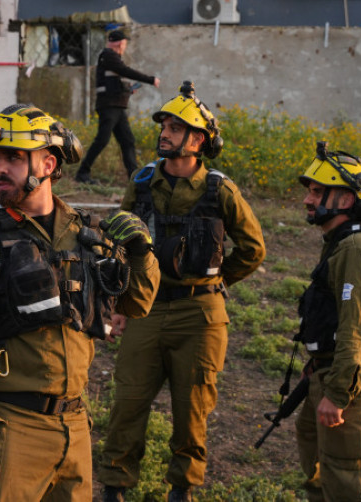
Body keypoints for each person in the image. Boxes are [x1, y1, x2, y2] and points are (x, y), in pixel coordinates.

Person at [0, 104, 160, 501]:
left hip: (75, 428)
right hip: (9, 428)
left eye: (13, 158)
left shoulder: (86, 234)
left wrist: (141, 253)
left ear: (48, 164)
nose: (0, 169)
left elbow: (136, 304)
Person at [98, 81, 266, 502]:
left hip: (200, 316)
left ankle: (182, 489)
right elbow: (119, 244)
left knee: (192, 410)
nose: (165, 134)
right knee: (128, 403)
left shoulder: (220, 190)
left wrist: (217, 280)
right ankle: (114, 487)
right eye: (164, 126)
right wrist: (120, 303)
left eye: (175, 128)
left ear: (198, 140)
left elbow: (253, 249)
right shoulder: (142, 183)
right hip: (146, 310)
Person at [294, 141, 361, 501]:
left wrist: (337, 395)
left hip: (350, 384)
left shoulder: (356, 249)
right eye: (309, 191)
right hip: (330, 372)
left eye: (317, 192)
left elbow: (356, 328)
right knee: (320, 469)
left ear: (347, 199)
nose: (307, 200)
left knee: (350, 485)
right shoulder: (339, 242)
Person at [75, 29, 160, 185]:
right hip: (109, 106)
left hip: (117, 106)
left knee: (128, 141)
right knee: (102, 139)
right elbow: (124, 71)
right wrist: (150, 79)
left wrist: (128, 89)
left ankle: (134, 179)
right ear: (120, 44)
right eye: (125, 44)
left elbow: (113, 82)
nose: (125, 47)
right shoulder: (108, 55)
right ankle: (82, 173)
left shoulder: (111, 58)